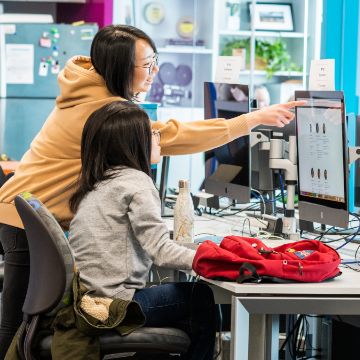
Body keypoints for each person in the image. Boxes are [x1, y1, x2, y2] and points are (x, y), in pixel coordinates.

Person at [0, 24, 304, 356]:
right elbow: (173, 135)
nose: (155, 71)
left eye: (154, 60)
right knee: (16, 331)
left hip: (27, 213)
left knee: (23, 330)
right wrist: (251, 120)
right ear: (118, 67)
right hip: (23, 221)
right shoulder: (102, 112)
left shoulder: (89, 88)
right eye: (146, 65)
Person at [68, 101, 216, 359]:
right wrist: (212, 259)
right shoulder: (137, 183)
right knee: (199, 296)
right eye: (152, 133)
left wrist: (205, 249)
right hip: (115, 303)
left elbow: (156, 244)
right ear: (133, 142)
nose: (158, 138)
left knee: (181, 319)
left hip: (90, 299)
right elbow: (160, 250)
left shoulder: (101, 181)